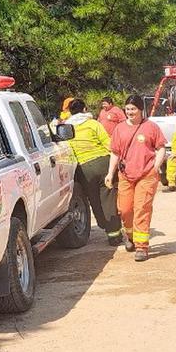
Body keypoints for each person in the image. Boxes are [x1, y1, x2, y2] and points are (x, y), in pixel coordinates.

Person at [106, 95, 167, 262]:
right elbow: (115, 153)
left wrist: (156, 166)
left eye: (133, 109)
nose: (130, 112)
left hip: (146, 175)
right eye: (127, 109)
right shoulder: (119, 129)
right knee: (125, 210)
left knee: (142, 208)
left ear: (140, 110)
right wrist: (110, 173)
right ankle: (131, 237)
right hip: (125, 175)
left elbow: (161, 148)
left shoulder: (151, 127)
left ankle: (142, 246)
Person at [64, 99, 122, 246]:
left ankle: (103, 224)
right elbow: (108, 143)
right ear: (84, 109)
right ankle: (114, 234)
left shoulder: (66, 128)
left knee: (94, 199)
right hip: (103, 163)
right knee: (108, 198)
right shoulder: (93, 124)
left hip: (84, 169)